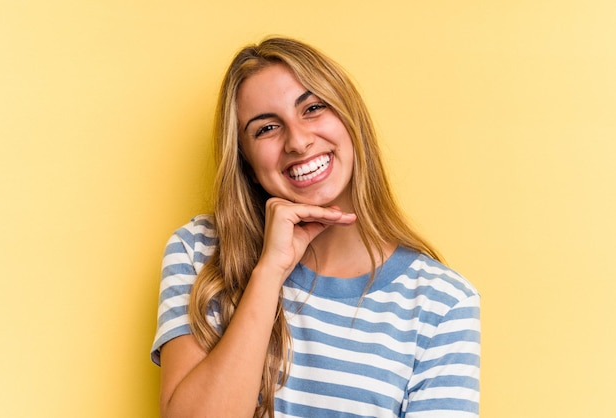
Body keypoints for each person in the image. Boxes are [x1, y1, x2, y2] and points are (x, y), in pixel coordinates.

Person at [151, 37, 480, 418]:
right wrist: (269, 272)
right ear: (247, 164)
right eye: (266, 128)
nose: (299, 141)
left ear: (350, 119)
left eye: (313, 108)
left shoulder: (443, 303)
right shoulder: (199, 252)